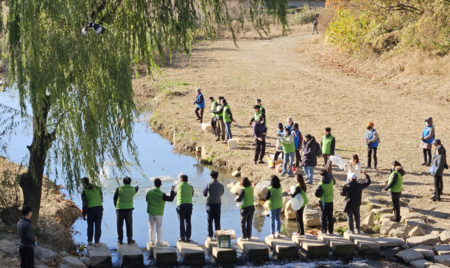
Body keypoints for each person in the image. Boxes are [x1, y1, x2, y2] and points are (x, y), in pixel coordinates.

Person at [146, 178, 176, 246]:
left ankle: (152, 241)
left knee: (151, 226)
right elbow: (171, 199)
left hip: (151, 211)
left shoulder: (149, 192)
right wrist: (172, 191)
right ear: (161, 185)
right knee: (159, 227)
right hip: (159, 212)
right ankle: (158, 242)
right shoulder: (162, 194)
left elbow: (147, 199)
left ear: (154, 184)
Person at [114, 177, 139, 244]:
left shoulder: (119, 189)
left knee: (119, 225)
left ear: (123, 182)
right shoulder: (132, 189)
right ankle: (129, 239)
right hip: (128, 210)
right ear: (130, 182)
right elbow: (137, 188)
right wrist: (136, 184)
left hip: (119, 209)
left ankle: (120, 240)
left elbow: (114, 198)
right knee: (129, 225)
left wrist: (116, 206)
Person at [203, 170, 225, 240]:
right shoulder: (221, 185)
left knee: (210, 221)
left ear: (211, 177)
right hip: (218, 204)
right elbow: (221, 193)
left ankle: (210, 236)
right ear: (217, 176)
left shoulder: (208, 184)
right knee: (217, 221)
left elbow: (204, 193)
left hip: (210, 204)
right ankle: (217, 236)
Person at [81, 177, 103, 246]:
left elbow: (84, 203)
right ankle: (97, 242)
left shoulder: (84, 191)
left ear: (83, 183)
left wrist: (84, 214)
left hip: (90, 209)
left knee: (90, 225)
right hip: (99, 208)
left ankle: (90, 241)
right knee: (98, 225)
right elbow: (101, 198)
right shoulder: (97, 188)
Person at [315, 169, 336, 234]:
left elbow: (317, 195)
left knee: (323, 216)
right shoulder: (331, 181)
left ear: (321, 175)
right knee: (330, 216)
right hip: (330, 200)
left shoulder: (320, 184)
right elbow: (333, 179)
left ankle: (324, 230)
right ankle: (331, 231)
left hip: (323, 202)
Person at [176, 174, 194, 242]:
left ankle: (182, 237)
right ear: (187, 180)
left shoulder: (178, 186)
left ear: (180, 180)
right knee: (188, 221)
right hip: (189, 205)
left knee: (181, 222)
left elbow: (174, 194)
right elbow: (192, 194)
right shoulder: (191, 187)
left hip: (181, 205)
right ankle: (188, 237)